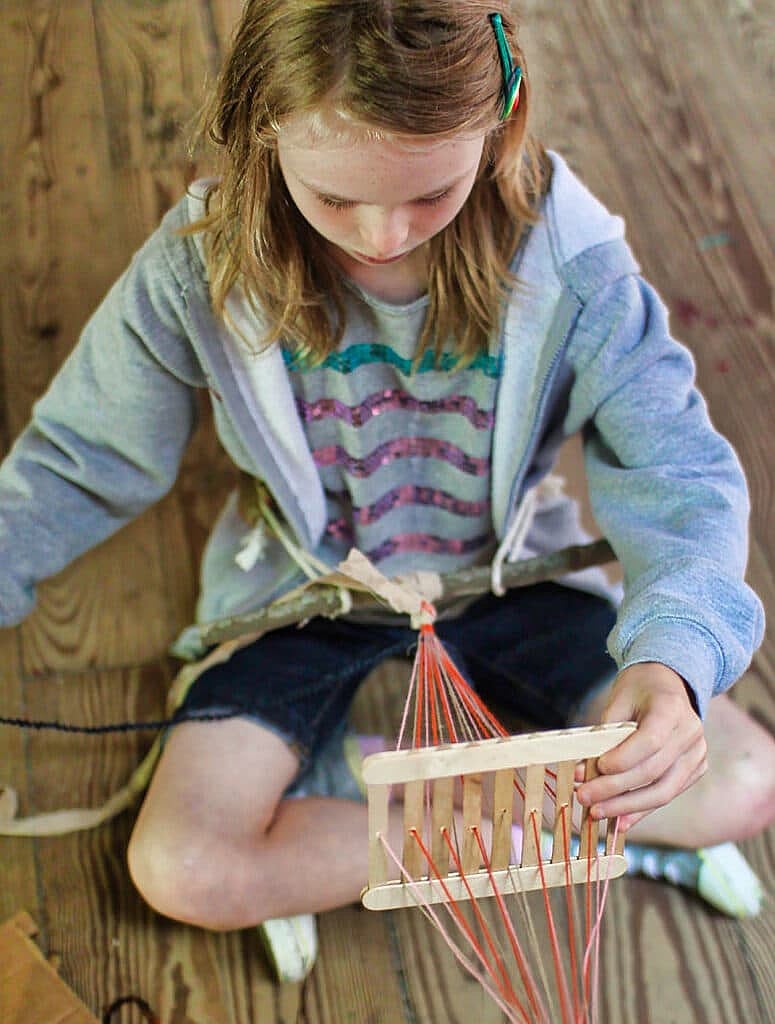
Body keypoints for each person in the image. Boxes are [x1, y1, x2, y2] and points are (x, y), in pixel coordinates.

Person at [0, 0, 772, 984]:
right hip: (305, 594)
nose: (379, 235)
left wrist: (670, 663)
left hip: (508, 576)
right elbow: (78, 457)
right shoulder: (194, 267)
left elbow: (676, 471)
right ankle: (573, 835)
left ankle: (346, 811)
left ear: (500, 127)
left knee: (745, 778)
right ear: (257, 132)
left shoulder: (572, 262)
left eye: (428, 193)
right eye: (333, 198)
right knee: (179, 865)